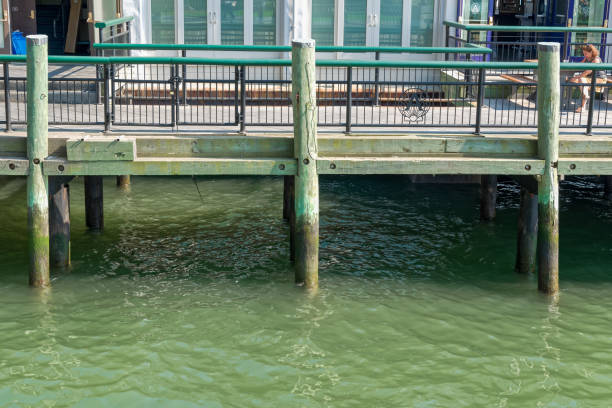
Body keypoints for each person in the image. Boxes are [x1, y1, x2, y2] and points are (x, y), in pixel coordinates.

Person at [568, 44, 607, 113]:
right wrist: (570, 65)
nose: (584, 55)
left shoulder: (596, 59)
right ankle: (584, 98)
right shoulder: (587, 58)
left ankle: (583, 102)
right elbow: (580, 64)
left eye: (586, 53)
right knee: (576, 80)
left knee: (580, 79)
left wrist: (575, 77)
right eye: (583, 53)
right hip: (590, 78)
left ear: (592, 52)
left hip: (600, 79)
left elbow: (587, 72)